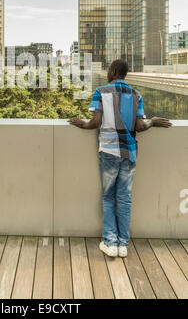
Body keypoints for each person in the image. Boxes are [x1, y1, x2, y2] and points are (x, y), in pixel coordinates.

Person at [68, 59, 172, 258]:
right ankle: (123, 245)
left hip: (108, 151)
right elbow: (141, 126)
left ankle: (110, 243)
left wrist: (81, 123)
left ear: (113, 71)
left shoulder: (101, 91)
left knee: (108, 197)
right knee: (124, 198)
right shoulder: (136, 94)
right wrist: (153, 122)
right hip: (130, 152)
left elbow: (95, 122)